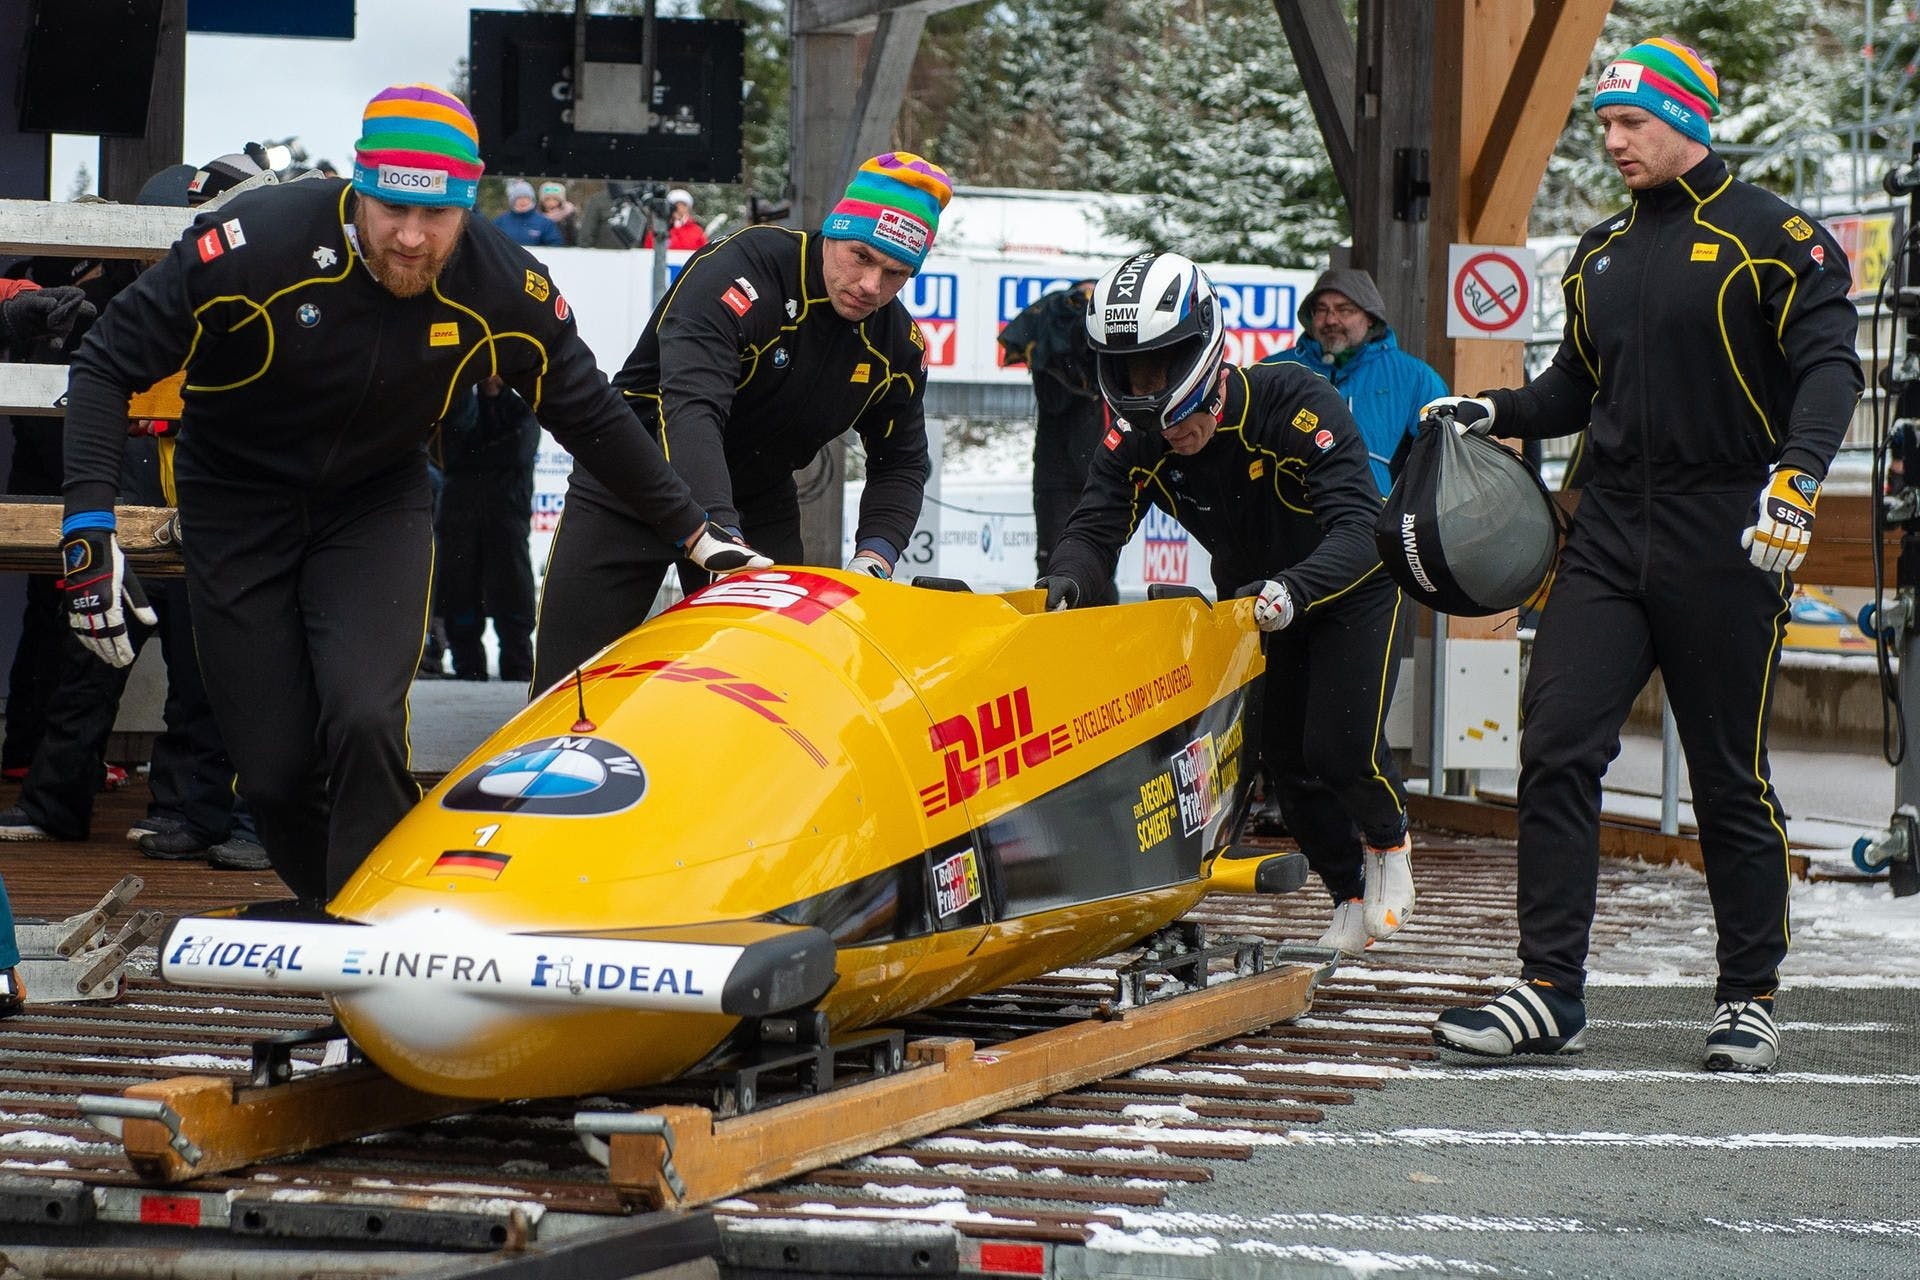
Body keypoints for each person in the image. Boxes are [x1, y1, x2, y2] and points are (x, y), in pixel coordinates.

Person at [58, 83, 768, 903]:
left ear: (470, 204)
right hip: (238, 499)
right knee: (276, 772)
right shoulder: (258, 242)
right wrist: (88, 525)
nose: (410, 237)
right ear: (360, 187)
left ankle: (393, 929)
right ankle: (346, 912)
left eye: (437, 217)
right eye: (391, 208)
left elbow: (589, 409)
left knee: (362, 721)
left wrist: (694, 534)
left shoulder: (501, 281)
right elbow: (106, 361)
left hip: (374, 502)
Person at [1427, 38, 1862, 1073]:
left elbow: (1829, 368)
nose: (1613, 141)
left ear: (1687, 122)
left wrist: (1796, 478)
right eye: (1605, 126)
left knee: (1726, 776)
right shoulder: (1598, 253)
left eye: (1631, 123)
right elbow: (1574, 388)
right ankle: (1549, 989)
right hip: (1611, 529)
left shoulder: (1776, 237)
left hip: (1730, 530)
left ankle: (1748, 994)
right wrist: (1493, 407)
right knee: (1558, 744)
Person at [1038, 251, 1415, 956]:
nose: (1175, 440)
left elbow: (1362, 528)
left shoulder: (1296, 401)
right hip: (1253, 603)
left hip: (1348, 584)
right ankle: (1347, 893)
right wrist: (1062, 582)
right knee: (1279, 760)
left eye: (1184, 424)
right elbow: (1095, 528)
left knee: (1338, 746)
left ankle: (1389, 843)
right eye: (1159, 427)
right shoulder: (1136, 438)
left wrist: (1295, 589)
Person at [532, 152, 950, 688]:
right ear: (833, 231)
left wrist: (877, 553)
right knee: (570, 685)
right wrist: (716, 530)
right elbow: (692, 406)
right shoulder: (743, 266)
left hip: (756, 493)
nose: (870, 285)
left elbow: (903, 461)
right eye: (861, 257)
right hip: (634, 476)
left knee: (774, 684)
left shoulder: (895, 344)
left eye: (895, 274)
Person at [1263, 267, 1448, 496]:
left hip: (1375, 521)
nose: (1331, 320)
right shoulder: (1276, 372)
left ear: (1370, 318)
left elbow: (1442, 460)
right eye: (1321, 310)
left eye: (1344, 310)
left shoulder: (1416, 378)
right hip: (1287, 518)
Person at [996, 279, 1108, 576]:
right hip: (1064, 468)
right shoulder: (1052, 333)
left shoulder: (1050, 334)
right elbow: (1054, 401)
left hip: (1088, 471)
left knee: (1095, 563)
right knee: (1055, 565)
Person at [437, 376, 539, 682]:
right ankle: (467, 668)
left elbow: (518, 450)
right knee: (460, 593)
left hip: (506, 517)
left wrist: (473, 456)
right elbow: (450, 451)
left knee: (513, 594)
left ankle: (518, 670)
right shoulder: (461, 406)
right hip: (460, 517)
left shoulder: (520, 408)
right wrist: (485, 457)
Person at [493, 179, 564, 247]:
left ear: (532, 199)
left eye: (526, 197)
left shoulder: (545, 223)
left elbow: (555, 245)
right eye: (519, 198)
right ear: (513, 200)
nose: (523, 201)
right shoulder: (500, 221)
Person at [639, 188, 708, 251]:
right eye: (675, 205)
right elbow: (648, 252)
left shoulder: (697, 230)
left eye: (683, 205)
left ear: (688, 208)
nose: (679, 208)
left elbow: (704, 254)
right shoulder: (658, 229)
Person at [537, 180, 577, 246]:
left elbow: (573, 239)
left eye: (555, 199)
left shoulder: (568, 217)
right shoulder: (537, 217)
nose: (551, 203)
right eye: (547, 199)